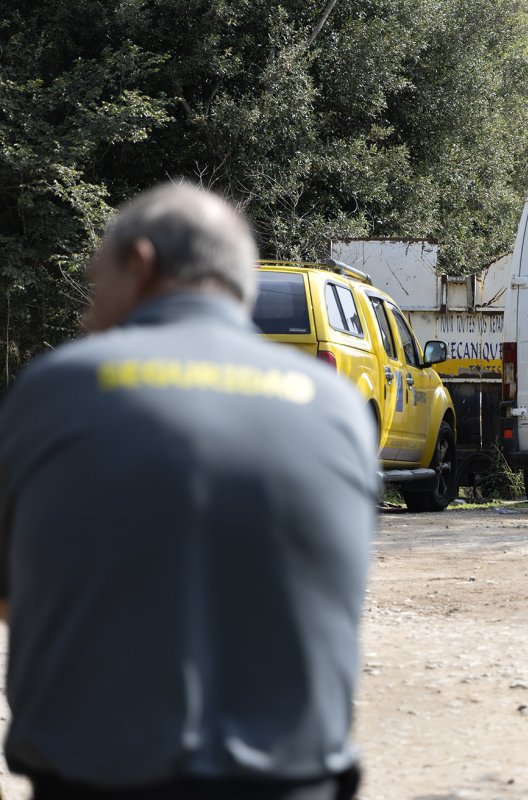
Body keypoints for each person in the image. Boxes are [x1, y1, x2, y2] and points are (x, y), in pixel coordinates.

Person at [0, 183, 380, 798]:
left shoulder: (55, 390)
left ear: (141, 264)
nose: (86, 313)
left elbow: (14, 597)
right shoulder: (336, 407)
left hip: (97, 784)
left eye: (97, 284)